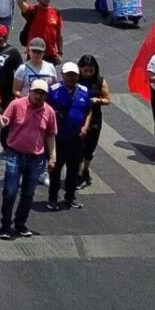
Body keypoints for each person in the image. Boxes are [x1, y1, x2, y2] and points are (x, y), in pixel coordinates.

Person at [0, 80, 57, 239]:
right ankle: (5, 225)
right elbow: (4, 122)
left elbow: (50, 135)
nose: (38, 96)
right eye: (36, 92)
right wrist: (0, 121)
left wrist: (53, 157)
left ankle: (20, 223)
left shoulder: (49, 112)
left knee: (28, 193)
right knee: (10, 192)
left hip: (36, 158)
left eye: (42, 94)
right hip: (15, 154)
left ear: (46, 96)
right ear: (30, 91)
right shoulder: (16, 104)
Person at [45, 62, 92, 211]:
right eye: (69, 75)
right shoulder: (53, 90)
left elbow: (89, 111)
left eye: (74, 75)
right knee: (55, 170)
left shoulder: (84, 90)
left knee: (73, 169)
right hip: (58, 138)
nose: (72, 77)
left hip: (76, 138)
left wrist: (85, 127)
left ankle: (70, 197)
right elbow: (45, 109)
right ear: (62, 75)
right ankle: (52, 198)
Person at [76, 55, 110, 190]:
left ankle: (85, 169)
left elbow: (107, 99)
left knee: (90, 147)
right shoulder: (75, 79)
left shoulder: (99, 81)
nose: (88, 73)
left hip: (95, 118)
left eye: (91, 71)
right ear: (80, 69)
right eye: (85, 70)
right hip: (78, 117)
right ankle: (78, 173)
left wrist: (99, 100)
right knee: (79, 147)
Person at [17, 0, 63, 64]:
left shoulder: (56, 12)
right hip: (34, 53)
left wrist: (60, 53)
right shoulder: (32, 10)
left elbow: (59, 35)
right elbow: (20, 2)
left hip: (50, 54)